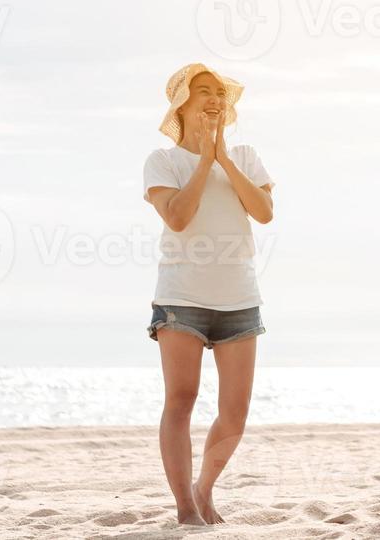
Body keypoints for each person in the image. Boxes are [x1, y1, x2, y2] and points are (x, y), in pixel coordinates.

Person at [142, 63, 275, 525]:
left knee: (234, 416)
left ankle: (204, 489)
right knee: (181, 399)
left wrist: (223, 159)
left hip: (239, 298)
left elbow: (263, 212)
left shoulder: (246, 155)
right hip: (181, 299)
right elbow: (177, 218)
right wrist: (202, 161)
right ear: (183, 103)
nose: (215, 98)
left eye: (220, 92)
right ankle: (185, 509)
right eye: (204, 91)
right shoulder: (163, 162)